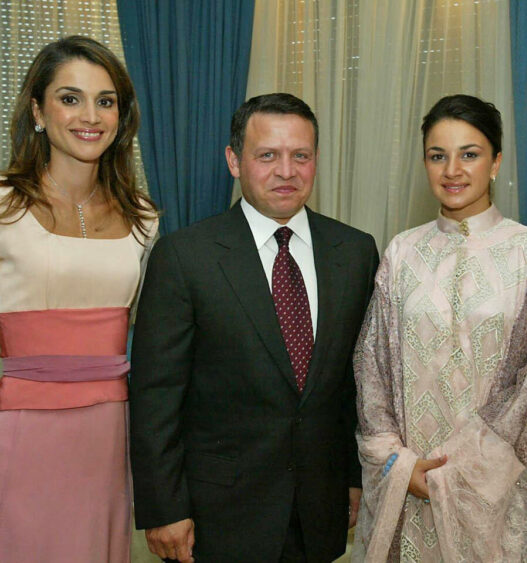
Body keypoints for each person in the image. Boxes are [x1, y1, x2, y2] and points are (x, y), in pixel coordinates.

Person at [129, 92, 379, 562]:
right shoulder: (185, 257)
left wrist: (353, 476)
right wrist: (163, 507)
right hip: (216, 516)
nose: (286, 171)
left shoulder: (355, 252)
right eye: (267, 155)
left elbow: (355, 384)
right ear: (234, 161)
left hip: (319, 510)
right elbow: (155, 396)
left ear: (315, 161)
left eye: (299, 155)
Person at [353, 94, 527, 561]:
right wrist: (397, 461)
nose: (452, 170)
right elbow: (373, 367)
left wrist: (459, 472)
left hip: (497, 489)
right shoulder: (402, 252)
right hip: (407, 483)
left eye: (469, 154)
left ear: (496, 163)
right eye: (437, 156)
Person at [0, 36, 158, 562]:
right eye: (70, 98)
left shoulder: (143, 216)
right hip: (17, 433)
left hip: (108, 433)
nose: (90, 116)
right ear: (38, 110)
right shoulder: (2, 204)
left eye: (105, 101)